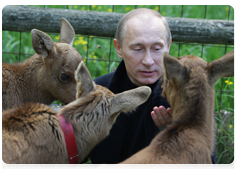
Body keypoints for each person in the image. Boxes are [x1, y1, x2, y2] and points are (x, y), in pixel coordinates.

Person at [90, 8, 216, 168]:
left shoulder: (190, 96)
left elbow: (208, 164)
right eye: (138, 49)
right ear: (119, 48)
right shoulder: (95, 92)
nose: (148, 61)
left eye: (157, 49)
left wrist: (178, 133)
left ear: (168, 46)